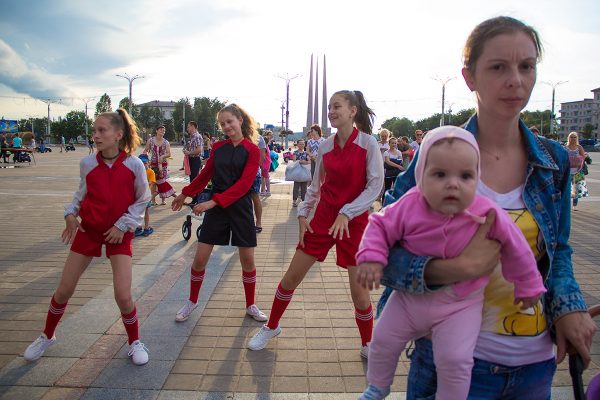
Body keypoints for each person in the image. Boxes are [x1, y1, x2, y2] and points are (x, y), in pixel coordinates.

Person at [379, 16, 595, 400]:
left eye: (526, 66)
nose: (516, 79)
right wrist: (455, 269)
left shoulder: (554, 160)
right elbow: (382, 247)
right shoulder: (436, 156)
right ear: (469, 77)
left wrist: (569, 306)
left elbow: (558, 251)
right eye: (499, 67)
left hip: (535, 366)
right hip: (452, 369)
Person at [357, 126, 546, 400]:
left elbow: (517, 247)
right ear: (421, 176)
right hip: (409, 300)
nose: (453, 184)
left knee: (455, 360)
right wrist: (371, 258)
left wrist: (528, 285)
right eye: (440, 174)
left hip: (460, 306)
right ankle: (377, 386)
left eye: (466, 176)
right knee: (383, 342)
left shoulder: (486, 210)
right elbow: (379, 227)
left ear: (477, 178)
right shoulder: (410, 203)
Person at [247, 90, 384, 357]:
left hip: (354, 224)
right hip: (323, 219)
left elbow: (375, 186)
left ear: (353, 110)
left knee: (359, 294)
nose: (332, 111)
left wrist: (348, 211)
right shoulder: (325, 145)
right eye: (330, 107)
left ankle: (368, 344)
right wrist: (302, 214)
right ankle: (271, 326)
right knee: (291, 277)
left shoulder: (368, 144)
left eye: (337, 106)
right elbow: (315, 184)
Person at [23, 108, 151, 365]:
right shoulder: (87, 163)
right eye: (94, 131)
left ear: (118, 134)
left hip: (119, 235)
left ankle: (135, 341)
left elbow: (143, 199)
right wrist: (70, 215)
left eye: (101, 130)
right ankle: (47, 335)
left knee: (123, 296)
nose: (96, 135)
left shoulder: (134, 165)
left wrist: (123, 225)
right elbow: (79, 197)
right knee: (64, 289)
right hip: (89, 231)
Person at [171, 103, 268, 324]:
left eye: (229, 122)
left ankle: (251, 304)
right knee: (199, 259)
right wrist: (185, 194)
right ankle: (192, 301)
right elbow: (205, 175)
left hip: (240, 207)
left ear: (240, 120)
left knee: (248, 261)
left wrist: (212, 202)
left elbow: (244, 185)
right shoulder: (218, 147)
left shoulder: (253, 150)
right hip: (217, 208)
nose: (226, 126)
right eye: (222, 124)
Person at [143, 125, 176, 205]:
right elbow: (146, 150)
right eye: (161, 130)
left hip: (163, 165)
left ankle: (163, 199)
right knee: (154, 182)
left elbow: (169, 154)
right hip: (153, 164)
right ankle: (153, 200)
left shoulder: (166, 142)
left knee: (163, 181)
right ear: (156, 131)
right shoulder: (150, 141)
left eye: (164, 130)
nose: (162, 131)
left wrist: (163, 156)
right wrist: (146, 158)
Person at [565, 131, 588, 211]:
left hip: (578, 171)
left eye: (575, 137)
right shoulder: (565, 147)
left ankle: (574, 205)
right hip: (567, 171)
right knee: (567, 189)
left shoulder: (579, 147)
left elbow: (583, 156)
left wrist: (578, 160)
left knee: (577, 189)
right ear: (569, 138)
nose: (573, 138)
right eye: (571, 137)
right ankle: (567, 205)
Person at [135, 154, 156, 237]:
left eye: (145, 163)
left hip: (146, 196)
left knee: (146, 211)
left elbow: (151, 182)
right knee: (138, 212)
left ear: (149, 163)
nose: (143, 165)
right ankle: (138, 227)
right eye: (141, 163)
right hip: (137, 196)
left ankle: (146, 228)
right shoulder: (137, 172)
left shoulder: (150, 172)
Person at [184, 121, 204, 204]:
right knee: (193, 180)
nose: (187, 129)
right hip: (192, 160)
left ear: (193, 126)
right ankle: (195, 199)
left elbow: (199, 150)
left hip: (195, 160)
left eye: (188, 127)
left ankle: (197, 200)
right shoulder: (193, 137)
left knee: (194, 180)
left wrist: (189, 153)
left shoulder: (196, 136)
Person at [251, 133, 267, 233]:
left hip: (253, 172)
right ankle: (246, 222)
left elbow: (262, 157)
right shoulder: (237, 135)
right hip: (237, 173)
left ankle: (258, 222)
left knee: (255, 197)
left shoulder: (258, 138)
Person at [382, 136, 404, 202]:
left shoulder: (399, 152)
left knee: (397, 189)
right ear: (389, 144)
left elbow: (401, 161)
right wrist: (397, 165)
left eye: (395, 143)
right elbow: (387, 161)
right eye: (392, 143)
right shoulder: (386, 152)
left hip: (396, 174)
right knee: (387, 189)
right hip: (388, 174)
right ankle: (384, 203)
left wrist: (392, 162)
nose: (394, 144)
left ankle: (395, 203)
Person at [291, 138, 311, 207]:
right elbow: (294, 161)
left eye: (303, 144)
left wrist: (304, 162)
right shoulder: (295, 152)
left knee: (304, 187)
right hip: (297, 172)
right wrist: (300, 161)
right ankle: (294, 201)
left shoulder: (306, 153)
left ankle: (303, 201)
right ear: (297, 144)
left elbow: (309, 161)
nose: (302, 145)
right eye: (300, 144)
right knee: (296, 187)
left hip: (304, 172)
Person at [260, 131, 272, 196]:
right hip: (267, 163)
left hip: (264, 164)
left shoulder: (264, 148)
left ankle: (264, 191)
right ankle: (267, 190)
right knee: (265, 177)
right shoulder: (267, 146)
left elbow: (262, 156)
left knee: (263, 177)